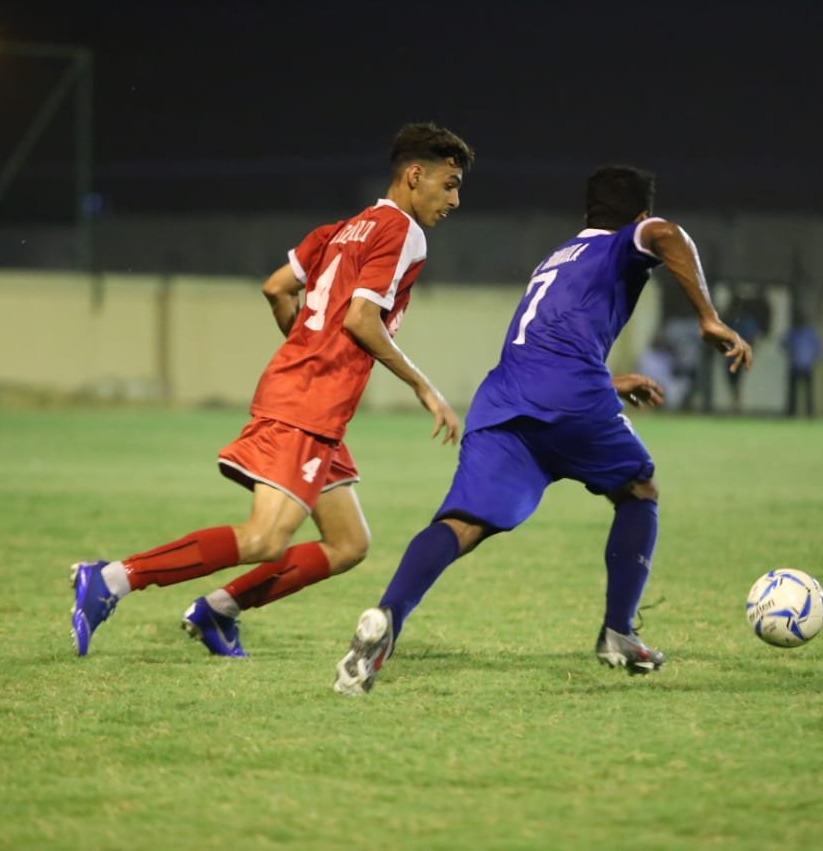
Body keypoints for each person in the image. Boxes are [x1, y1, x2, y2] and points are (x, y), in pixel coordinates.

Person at [332, 165, 752, 695]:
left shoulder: (558, 257)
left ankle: (387, 618)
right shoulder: (626, 242)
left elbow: (549, 342)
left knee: (462, 523)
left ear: (587, 213)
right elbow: (668, 234)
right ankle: (618, 632)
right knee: (639, 488)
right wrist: (708, 317)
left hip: (504, 401)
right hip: (568, 398)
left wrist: (607, 381)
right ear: (639, 215)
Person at [69, 122, 474, 657]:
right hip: (309, 403)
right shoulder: (403, 232)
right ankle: (113, 578)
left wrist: (307, 344)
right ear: (415, 175)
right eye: (449, 184)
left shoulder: (341, 229)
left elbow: (277, 287)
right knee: (264, 538)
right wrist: (425, 387)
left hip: (311, 399)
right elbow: (361, 319)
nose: (455, 200)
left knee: (348, 543)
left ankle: (217, 611)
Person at [782, 310, 822, 417]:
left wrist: (814, 359)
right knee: (792, 392)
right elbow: (783, 343)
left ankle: (810, 413)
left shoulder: (810, 333)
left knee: (808, 392)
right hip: (795, 366)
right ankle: (791, 413)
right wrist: (789, 352)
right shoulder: (793, 332)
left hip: (806, 366)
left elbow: (817, 347)